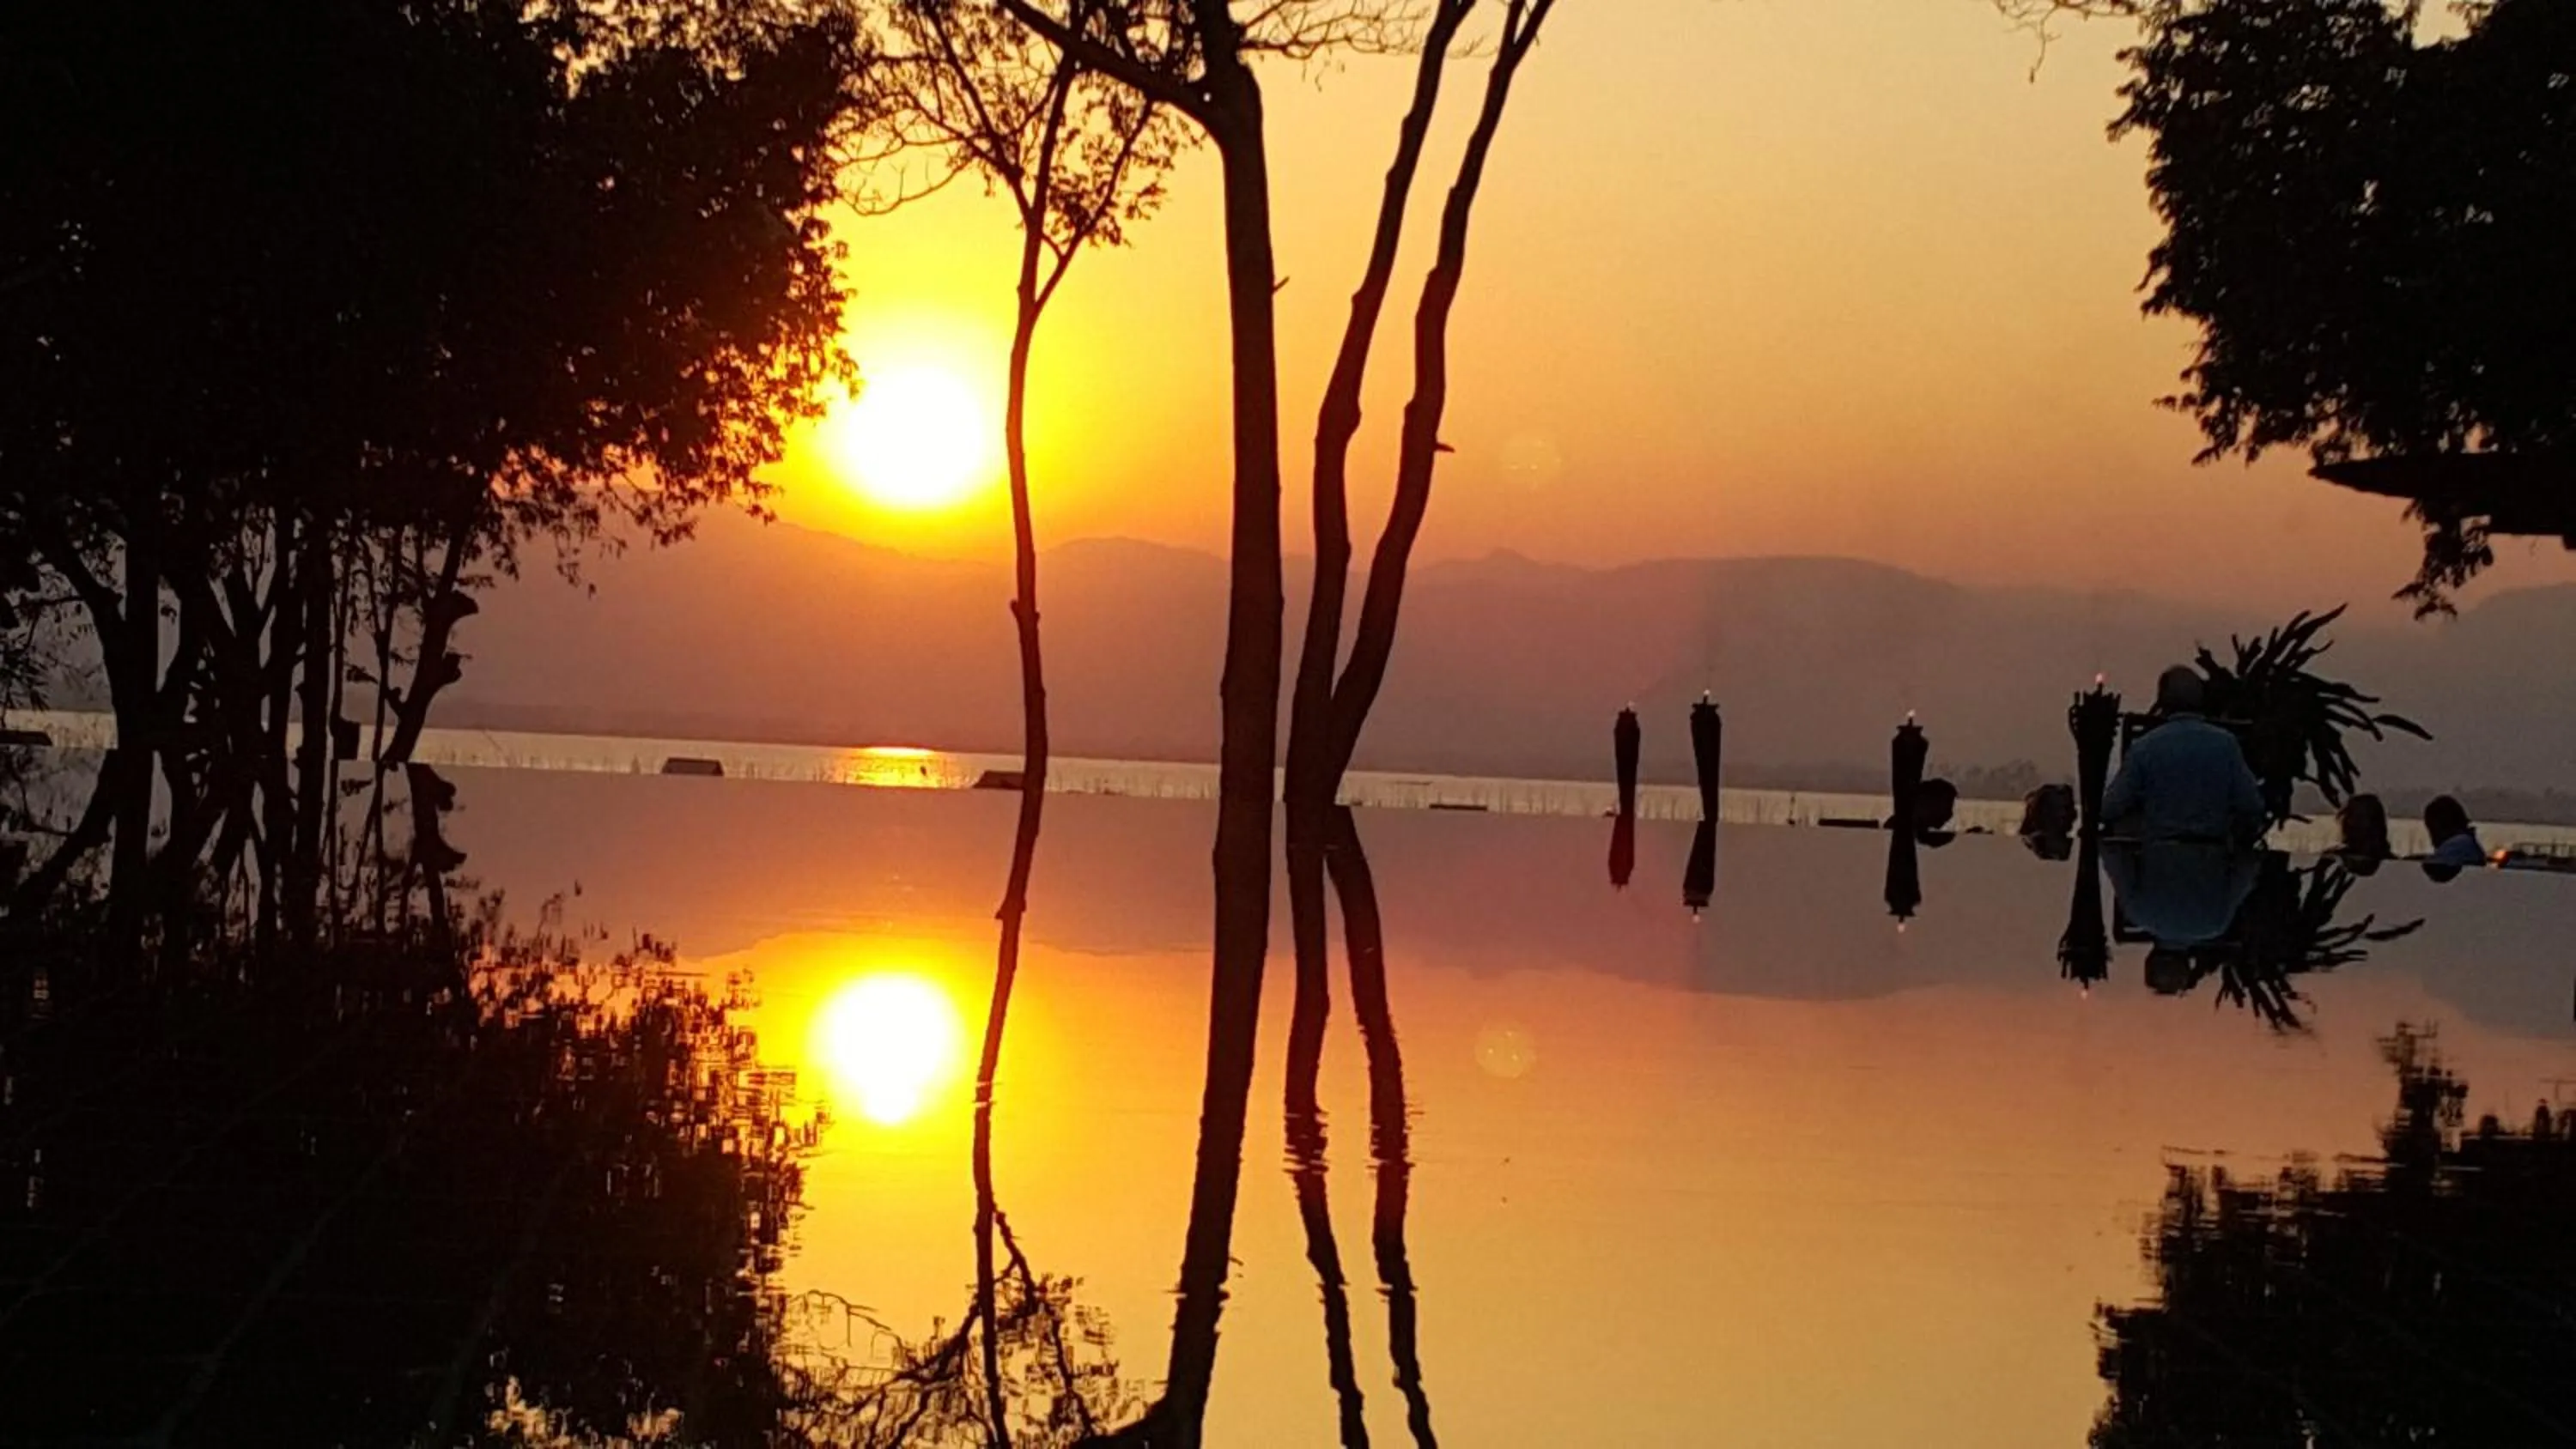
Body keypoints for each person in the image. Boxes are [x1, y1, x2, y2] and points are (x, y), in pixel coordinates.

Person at [2100, 666, 2268, 846]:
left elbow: (2110, 808)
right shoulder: (2227, 745)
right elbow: (2252, 805)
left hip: (2158, 856)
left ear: (2162, 702)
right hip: (2213, 856)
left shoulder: (2144, 747)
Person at [2421, 794, 2487, 882]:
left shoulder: (2460, 844)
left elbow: (2436, 870)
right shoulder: (2465, 843)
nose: (2432, 839)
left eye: (2432, 829)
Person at [2333, 793, 2392, 876]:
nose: (2350, 822)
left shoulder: (2392, 866)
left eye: (2359, 818)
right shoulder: (2335, 857)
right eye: (2349, 816)